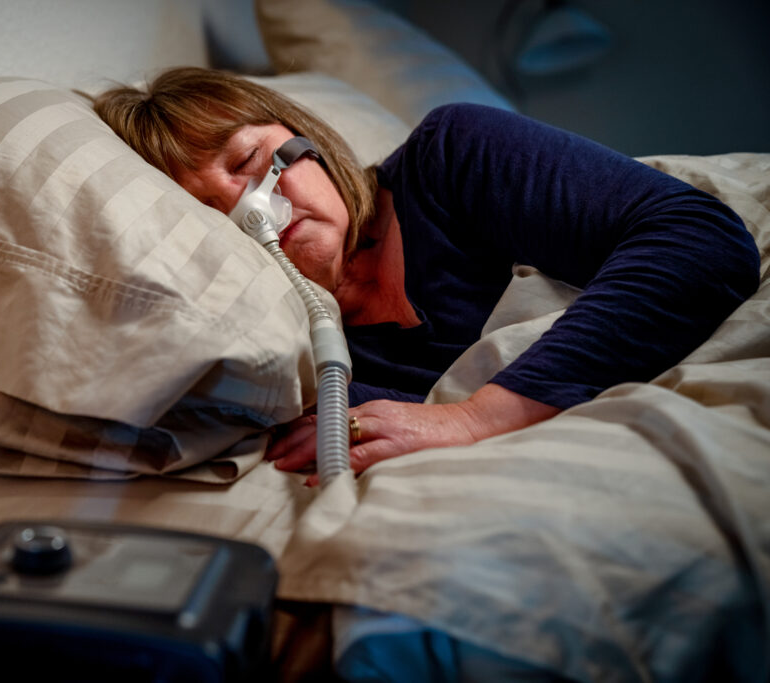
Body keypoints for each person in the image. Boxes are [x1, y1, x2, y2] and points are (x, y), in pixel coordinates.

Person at [92, 67, 760, 484]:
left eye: (248, 160)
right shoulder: (289, 358)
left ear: (305, 139)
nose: (255, 207)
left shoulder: (454, 159)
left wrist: (475, 417)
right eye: (209, 211)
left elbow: (701, 241)